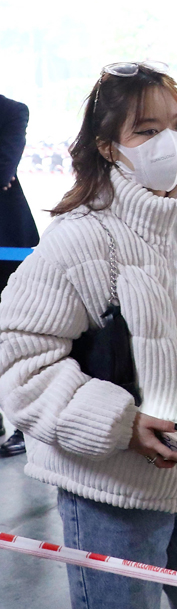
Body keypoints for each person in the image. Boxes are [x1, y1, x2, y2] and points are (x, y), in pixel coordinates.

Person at [0, 63, 177, 609]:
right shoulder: (81, 238)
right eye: (145, 130)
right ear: (108, 147)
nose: (169, 141)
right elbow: (19, 361)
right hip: (112, 493)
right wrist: (121, 424)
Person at [0, 93, 40, 458]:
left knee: (18, 339)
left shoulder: (11, 111)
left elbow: (2, 170)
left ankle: (30, 426)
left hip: (7, 243)